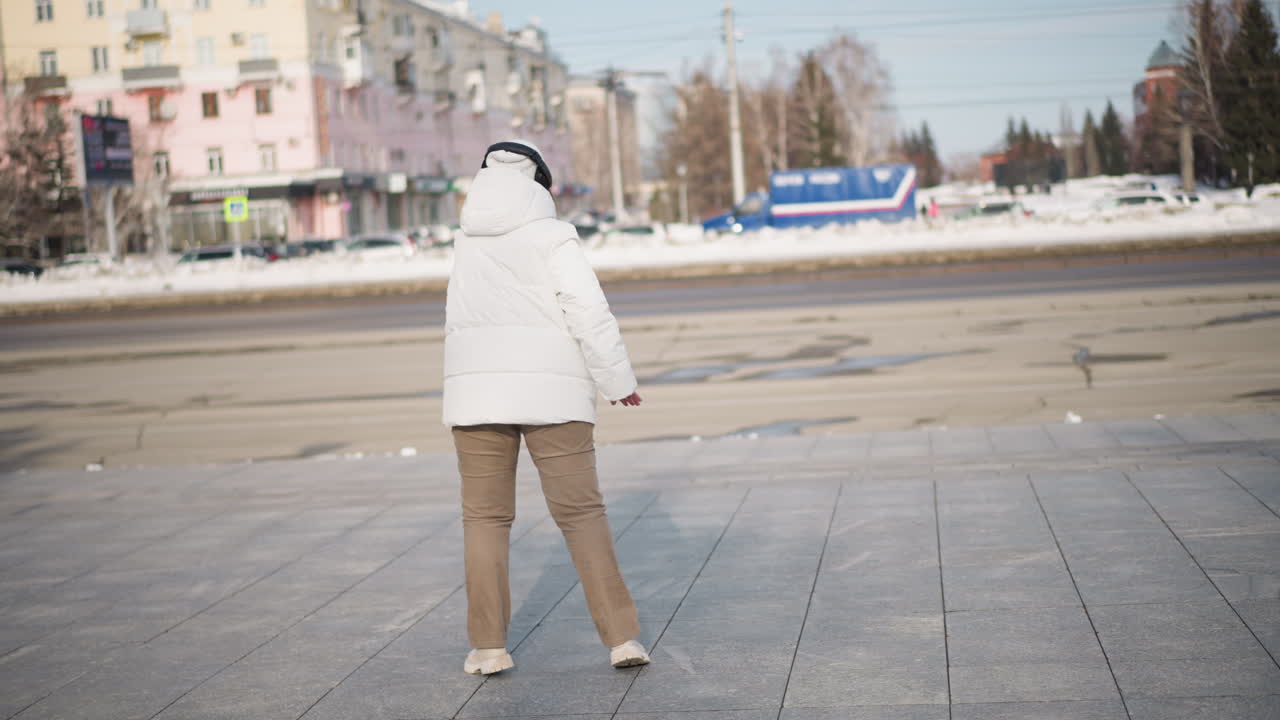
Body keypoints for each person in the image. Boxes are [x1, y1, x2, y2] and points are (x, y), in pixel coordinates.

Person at [442, 139, 650, 676]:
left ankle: (488, 647)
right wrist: (616, 379)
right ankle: (622, 639)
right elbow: (587, 308)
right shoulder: (554, 237)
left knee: (484, 519)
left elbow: (460, 320)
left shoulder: (465, 241)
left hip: (476, 397)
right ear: (541, 185)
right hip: (554, 396)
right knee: (582, 515)